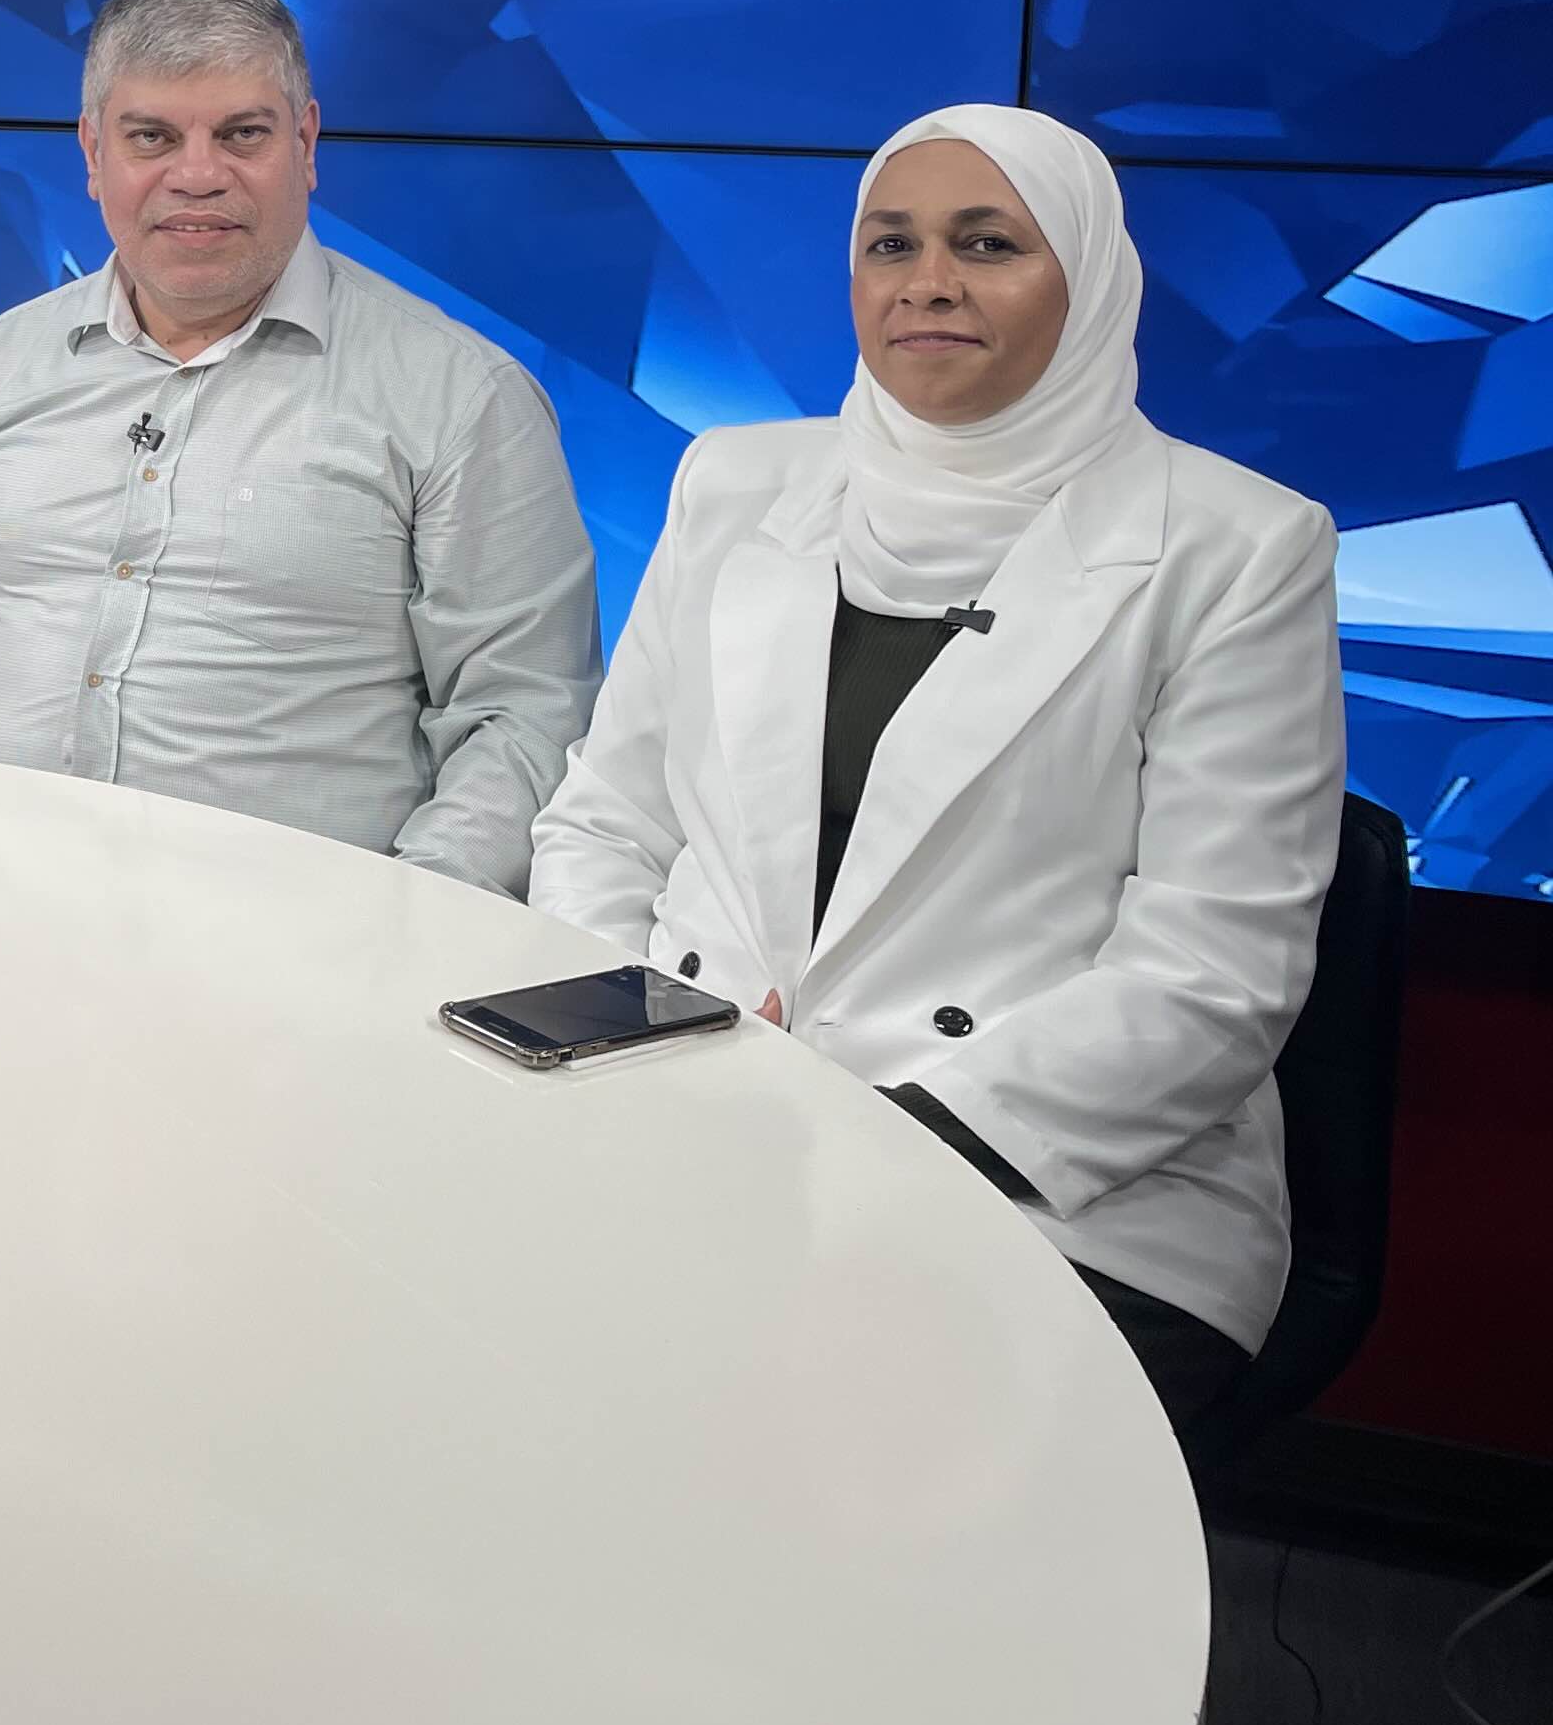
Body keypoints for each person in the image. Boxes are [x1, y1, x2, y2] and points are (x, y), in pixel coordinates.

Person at [528, 103, 1342, 1429]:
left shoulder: (1239, 547)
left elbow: (1213, 976)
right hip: (687, 1107)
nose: (929, 284)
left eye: (988, 244)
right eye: (890, 245)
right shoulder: (733, 483)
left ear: (1090, 279)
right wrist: (642, 1042)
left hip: (1052, 1182)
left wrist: (872, 1132)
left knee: (797, 1445)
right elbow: (602, 825)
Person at [0, 0, 597, 893]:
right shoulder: (4, 360)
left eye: (242, 134)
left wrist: (408, 928)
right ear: (93, 152)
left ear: (304, 143)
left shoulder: (461, 396)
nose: (197, 176)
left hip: (290, 948)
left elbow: (524, 717)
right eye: (152, 136)